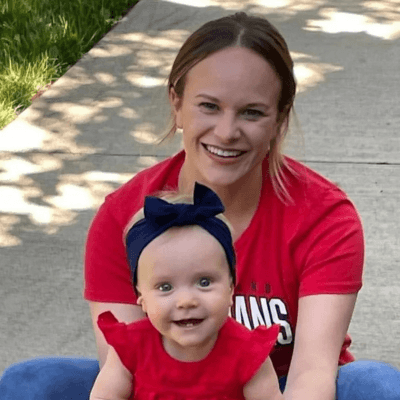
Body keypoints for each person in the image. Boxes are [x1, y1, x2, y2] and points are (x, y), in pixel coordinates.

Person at [1, 11, 399, 400]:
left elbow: (311, 374)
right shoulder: (125, 218)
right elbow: (127, 371)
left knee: (376, 385)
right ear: (176, 103)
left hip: (279, 387)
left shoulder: (323, 217)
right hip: (165, 388)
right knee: (29, 384)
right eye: (209, 106)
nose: (227, 132)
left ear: (279, 119)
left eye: (252, 112)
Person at [90, 182, 283, 400]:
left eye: (204, 282)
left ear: (231, 288)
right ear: (141, 298)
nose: (186, 301)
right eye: (165, 287)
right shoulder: (130, 349)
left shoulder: (248, 354)